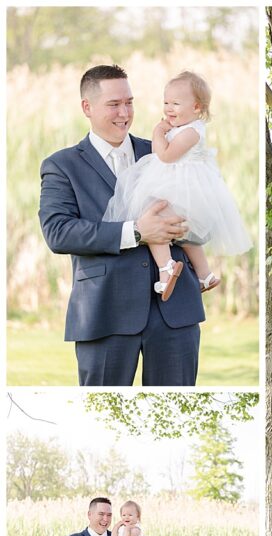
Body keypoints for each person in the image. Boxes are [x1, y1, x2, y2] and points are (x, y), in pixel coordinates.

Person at [39, 64, 204, 386]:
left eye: (129, 102)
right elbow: (58, 232)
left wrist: (187, 225)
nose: (124, 113)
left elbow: (204, 211)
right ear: (87, 107)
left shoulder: (164, 150)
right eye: (113, 104)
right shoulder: (62, 165)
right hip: (104, 311)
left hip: (175, 312)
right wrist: (138, 232)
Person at [103, 70, 251, 300]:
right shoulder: (183, 128)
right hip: (181, 187)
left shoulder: (191, 132)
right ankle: (205, 274)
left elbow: (166, 156)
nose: (169, 108)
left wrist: (158, 132)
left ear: (197, 107)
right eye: (166, 102)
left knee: (156, 221)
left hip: (184, 189)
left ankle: (166, 266)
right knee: (184, 234)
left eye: (176, 103)